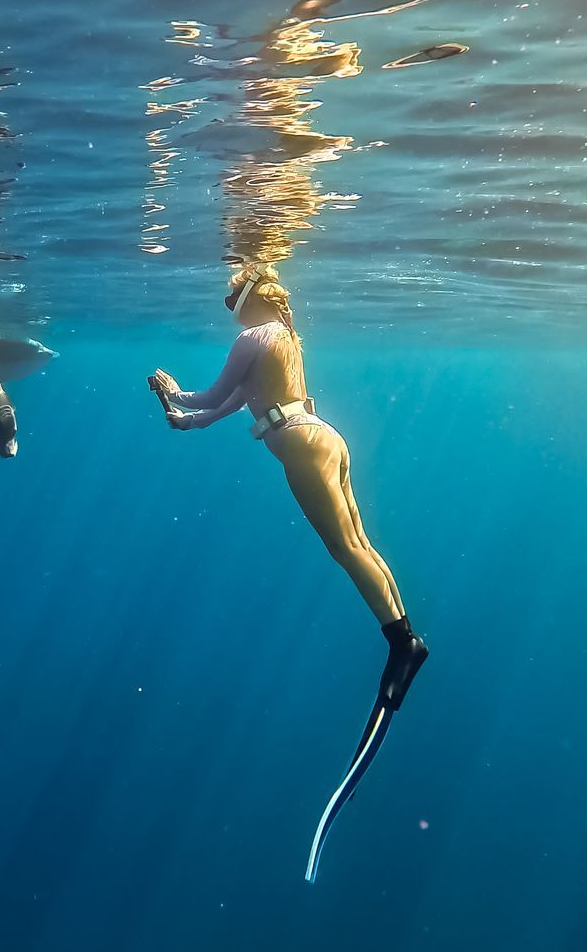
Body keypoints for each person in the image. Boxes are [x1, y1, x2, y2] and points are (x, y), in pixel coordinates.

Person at [149, 263, 427, 881]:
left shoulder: (255, 336)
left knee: (345, 548)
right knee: (359, 542)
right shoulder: (284, 337)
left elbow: (210, 398)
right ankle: (402, 638)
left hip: (299, 445)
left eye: (230, 295)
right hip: (322, 435)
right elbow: (215, 411)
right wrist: (179, 414)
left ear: (245, 298)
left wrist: (174, 393)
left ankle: (403, 642)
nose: (228, 305)